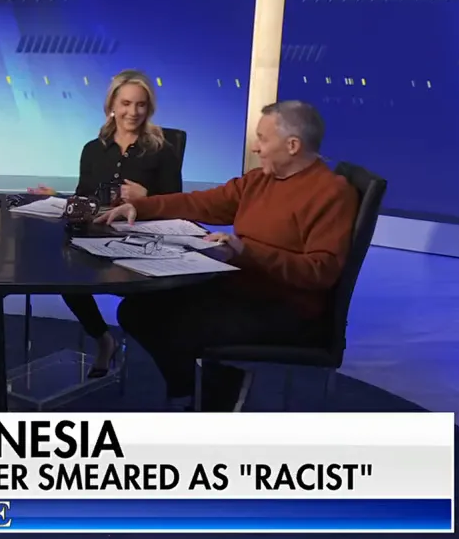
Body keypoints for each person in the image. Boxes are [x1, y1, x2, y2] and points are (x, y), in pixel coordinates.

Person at [97, 100, 359, 412]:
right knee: (136, 310)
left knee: (170, 324)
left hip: (287, 309)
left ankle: (210, 393)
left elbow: (321, 271)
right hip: (239, 288)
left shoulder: (331, 193)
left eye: (263, 138)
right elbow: (202, 203)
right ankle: (195, 389)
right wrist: (141, 208)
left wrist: (247, 251)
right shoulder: (260, 179)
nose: (256, 148)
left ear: (292, 145)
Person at [31, 71, 182, 378]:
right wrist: (58, 198)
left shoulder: (162, 149)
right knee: (65, 275)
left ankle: (175, 372)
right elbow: (84, 198)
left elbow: (176, 204)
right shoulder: (93, 149)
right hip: (97, 237)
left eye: (141, 105)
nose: (133, 112)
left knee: (149, 303)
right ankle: (104, 340)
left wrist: (146, 197)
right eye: (126, 103)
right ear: (112, 104)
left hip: (143, 242)